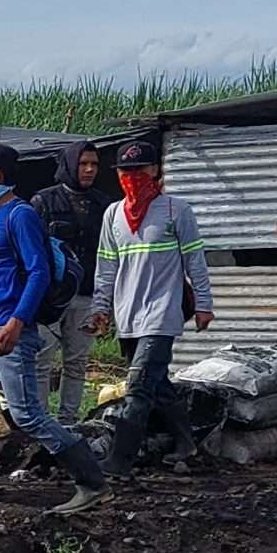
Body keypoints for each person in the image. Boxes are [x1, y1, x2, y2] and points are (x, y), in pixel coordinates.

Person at [0, 141, 112, 512]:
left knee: (28, 413)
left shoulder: (19, 215)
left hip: (11, 333)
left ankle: (92, 481)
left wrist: (17, 322)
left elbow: (38, 272)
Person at [93, 138, 217, 476]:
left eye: (140, 170)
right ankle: (187, 443)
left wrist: (204, 304)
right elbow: (106, 267)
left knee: (136, 390)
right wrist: (100, 308)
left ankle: (120, 460)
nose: (133, 177)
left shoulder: (178, 210)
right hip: (127, 316)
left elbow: (195, 260)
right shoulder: (113, 215)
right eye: (126, 171)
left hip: (162, 315)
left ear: (155, 171)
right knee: (156, 382)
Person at [29, 141, 106, 422]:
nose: (88, 169)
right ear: (69, 165)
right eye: (83, 163)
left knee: (77, 362)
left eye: (94, 164)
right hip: (49, 297)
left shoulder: (103, 204)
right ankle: (39, 422)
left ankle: (69, 422)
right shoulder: (43, 201)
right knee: (41, 361)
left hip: (86, 295)